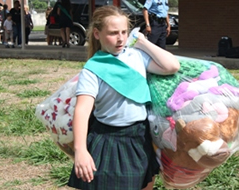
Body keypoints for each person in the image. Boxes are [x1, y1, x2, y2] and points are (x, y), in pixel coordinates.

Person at [67, 5, 180, 190]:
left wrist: (143, 42)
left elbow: (172, 66)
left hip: (139, 136)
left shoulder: (136, 56)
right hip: (109, 139)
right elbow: (82, 110)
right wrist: (80, 150)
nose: (120, 38)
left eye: (124, 32)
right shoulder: (93, 69)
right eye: (113, 33)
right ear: (97, 34)